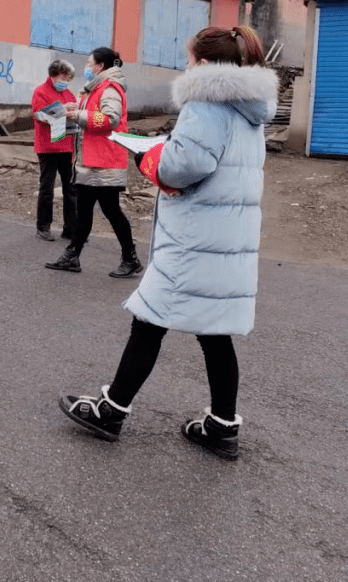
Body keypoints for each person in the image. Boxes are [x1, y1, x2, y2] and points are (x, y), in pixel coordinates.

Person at [58, 26, 278, 460]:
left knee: (150, 318)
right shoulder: (250, 109)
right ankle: (221, 425)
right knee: (214, 330)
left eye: (190, 57)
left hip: (195, 237)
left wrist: (151, 156)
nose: (187, 65)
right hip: (225, 237)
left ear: (206, 63)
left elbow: (185, 166)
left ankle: (111, 411)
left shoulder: (207, 102)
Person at [45, 46, 141, 278]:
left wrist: (78, 115)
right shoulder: (94, 89)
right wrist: (73, 110)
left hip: (105, 162)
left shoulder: (109, 88)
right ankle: (72, 256)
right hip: (92, 162)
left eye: (89, 63)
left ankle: (130, 258)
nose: (86, 67)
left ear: (99, 66)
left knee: (111, 211)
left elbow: (110, 119)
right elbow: (92, 118)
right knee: (84, 210)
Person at [32, 59, 78, 241]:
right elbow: (39, 116)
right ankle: (43, 227)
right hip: (47, 147)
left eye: (68, 78)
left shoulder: (69, 94)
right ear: (53, 75)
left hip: (66, 146)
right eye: (64, 76)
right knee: (47, 189)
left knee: (71, 189)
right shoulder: (40, 92)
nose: (66, 80)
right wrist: (62, 110)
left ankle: (70, 228)